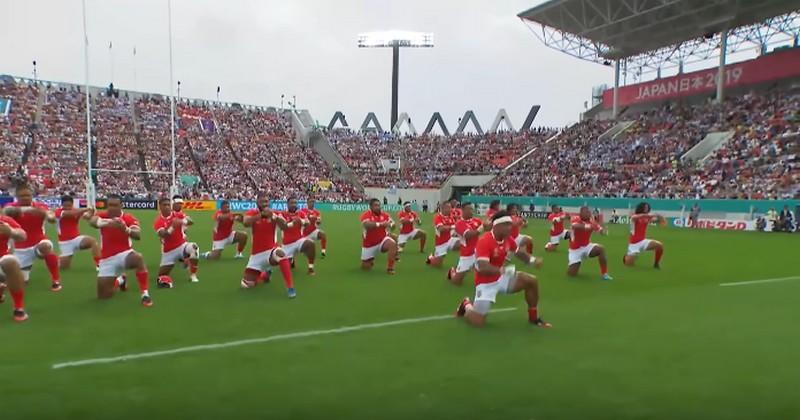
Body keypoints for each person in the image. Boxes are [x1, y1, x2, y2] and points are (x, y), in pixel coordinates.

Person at [455, 210, 550, 328]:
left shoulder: (507, 239)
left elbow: (519, 252)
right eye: (507, 225)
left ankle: (534, 317)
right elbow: (483, 266)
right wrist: (502, 270)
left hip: (500, 278)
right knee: (478, 322)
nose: (510, 228)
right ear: (497, 226)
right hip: (485, 283)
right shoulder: (485, 241)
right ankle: (466, 305)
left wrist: (532, 260)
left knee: (531, 281)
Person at [88, 194, 152, 307]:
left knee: (138, 258)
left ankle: (145, 294)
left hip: (125, 254)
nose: (112, 208)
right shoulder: (102, 216)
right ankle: (121, 280)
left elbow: (137, 235)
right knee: (103, 296)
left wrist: (125, 229)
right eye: (110, 205)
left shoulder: (129, 218)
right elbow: (92, 222)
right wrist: (109, 223)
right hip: (107, 259)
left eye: (115, 205)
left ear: (121, 205)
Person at [2, 184, 61, 291]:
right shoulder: (10, 206)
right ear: (17, 197)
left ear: (32, 196)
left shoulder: (40, 206)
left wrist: (49, 216)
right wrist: (29, 210)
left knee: (46, 246)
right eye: (22, 196)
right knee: (20, 282)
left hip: (37, 243)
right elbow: (7, 211)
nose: (25, 198)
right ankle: (26, 267)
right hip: (19, 250)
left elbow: (51, 217)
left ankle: (55, 280)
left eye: (27, 195)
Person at [240, 194, 297, 298]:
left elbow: (285, 227)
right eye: (262, 201)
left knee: (281, 253)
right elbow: (245, 223)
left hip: (271, 250)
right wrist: (261, 215)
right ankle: (264, 274)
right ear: (257, 203)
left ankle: (290, 287)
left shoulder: (274, 213)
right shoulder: (252, 213)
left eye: (266, 201)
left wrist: (274, 217)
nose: (265, 204)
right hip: (256, 255)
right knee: (246, 285)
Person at [153, 197, 200, 285]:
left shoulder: (177, 215)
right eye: (164, 205)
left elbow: (191, 221)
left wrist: (182, 221)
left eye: (168, 205)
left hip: (181, 246)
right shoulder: (158, 221)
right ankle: (185, 260)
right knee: (161, 276)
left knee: (194, 247)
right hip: (168, 251)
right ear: (160, 207)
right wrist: (172, 227)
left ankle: (193, 275)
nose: (167, 207)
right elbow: (163, 235)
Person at [54, 195, 100, 270]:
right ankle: (56, 260)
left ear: (72, 204)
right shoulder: (58, 212)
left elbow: (87, 217)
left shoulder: (76, 211)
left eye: (69, 206)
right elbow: (70, 214)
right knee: (63, 267)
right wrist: (86, 209)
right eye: (65, 206)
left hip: (76, 239)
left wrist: (92, 211)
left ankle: (99, 264)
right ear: (62, 205)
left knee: (92, 241)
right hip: (64, 242)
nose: (67, 208)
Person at [567, 206, 612, 280]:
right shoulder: (575, 218)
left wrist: (603, 231)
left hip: (587, 246)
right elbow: (576, 226)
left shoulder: (592, 221)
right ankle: (577, 262)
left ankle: (604, 274)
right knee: (571, 274)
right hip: (575, 249)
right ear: (580, 213)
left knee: (601, 249)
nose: (587, 214)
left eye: (588, 212)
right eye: (585, 212)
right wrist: (589, 226)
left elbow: (599, 229)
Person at [0, 215, 29, 321]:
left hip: (1, 258)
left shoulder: (4, 221)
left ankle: (18, 307)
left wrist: (11, 232)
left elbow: (23, 236)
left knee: (10, 262)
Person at [448, 202, 485, 285]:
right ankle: (452, 271)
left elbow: (487, 228)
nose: (472, 211)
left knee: (484, 274)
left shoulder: (477, 220)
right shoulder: (459, 223)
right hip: (467, 254)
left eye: (472, 209)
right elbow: (468, 235)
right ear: (463, 210)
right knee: (456, 282)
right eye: (470, 209)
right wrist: (481, 228)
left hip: (478, 252)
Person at [360, 198, 398, 275]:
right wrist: (380, 224)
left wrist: (391, 225)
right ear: (370, 207)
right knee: (366, 267)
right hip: (369, 245)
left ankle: (390, 268)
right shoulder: (366, 215)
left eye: (379, 205)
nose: (378, 207)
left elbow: (393, 225)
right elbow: (367, 225)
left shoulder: (385, 215)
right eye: (375, 205)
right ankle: (370, 260)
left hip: (382, 241)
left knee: (392, 244)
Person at [623, 202, 665, 269]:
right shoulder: (635, 216)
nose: (646, 209)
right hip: (634, 243)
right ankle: (626, 257)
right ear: (641, 208)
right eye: (645, 207)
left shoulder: (647, 217)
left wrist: (660, 217)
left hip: (643, 241)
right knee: (629, 265)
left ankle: (656, 264)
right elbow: (637, 217)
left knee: (659, 246)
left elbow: (656, 220)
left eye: (647, 207)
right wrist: (650, 215)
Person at [281, 197, 316, 276]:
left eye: (295, 203)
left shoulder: (301, 213)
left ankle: (311, 268)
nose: (293, 205)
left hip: (299, 241)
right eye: (291, 203)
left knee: (311, 244)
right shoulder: (282, 214)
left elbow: (307, 223)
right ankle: (291, 260)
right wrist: (293, 223)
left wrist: (301, 221)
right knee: (285, 267)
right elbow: (282, 226)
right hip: (287, 244)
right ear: (287, 204)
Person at [426, 201, 460, 267]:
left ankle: (464, 263)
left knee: (464, 243)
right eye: (448, 208)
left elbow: (456, 227)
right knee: (437, 264)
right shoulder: (438, 217)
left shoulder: (451, 216)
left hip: (450, 239)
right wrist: (453, 227)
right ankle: (431, 258)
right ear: (443, 209)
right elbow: (441, 229)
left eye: (450, 207)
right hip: (441, 243)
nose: (450, 209)